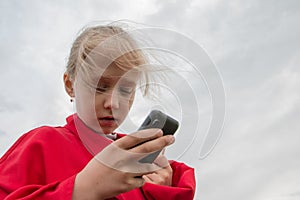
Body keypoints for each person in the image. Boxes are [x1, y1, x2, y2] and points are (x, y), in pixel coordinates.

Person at [0, 23, 195, 199]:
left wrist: (161, 192)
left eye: (126, 90)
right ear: (70, 85)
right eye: (100, 87)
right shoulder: (41, 144)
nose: (113, 103)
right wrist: (81, 189)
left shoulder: (140, 164)